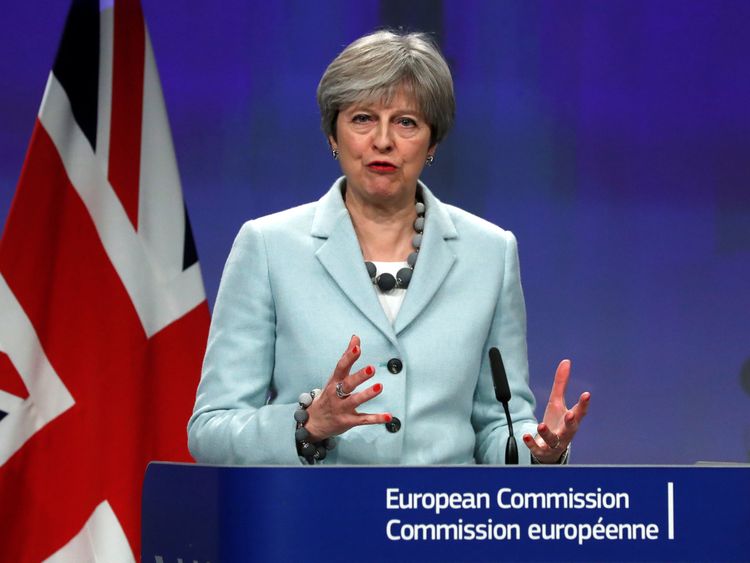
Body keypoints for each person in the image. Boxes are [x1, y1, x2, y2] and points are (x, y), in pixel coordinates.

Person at [187, 30, 590, 466]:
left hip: (441, 525)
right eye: (362, 118)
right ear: (333, 134)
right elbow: (211, 429)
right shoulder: (268, 247)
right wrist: (306, 425)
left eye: (406, 122)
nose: (383, 140)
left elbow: (498, 426)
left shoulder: (490, 253)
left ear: (432, 142)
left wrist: (540, 451)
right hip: (316, 524)